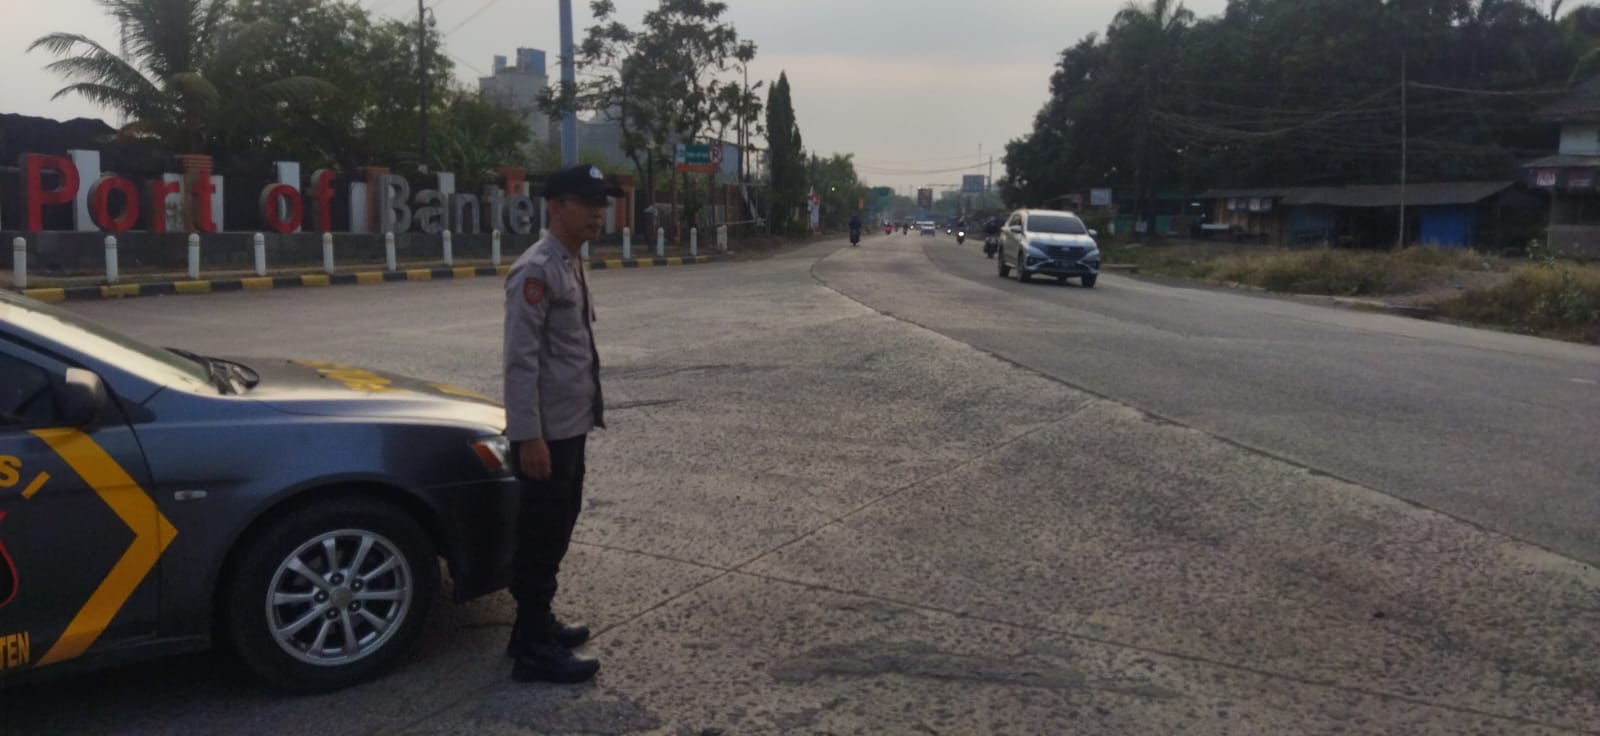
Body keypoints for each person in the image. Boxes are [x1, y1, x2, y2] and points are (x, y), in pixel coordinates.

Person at [502, 164, 622, 684]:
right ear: (556, 207)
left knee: (557, 525)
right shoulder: (536, 270)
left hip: (570, 425)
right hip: (546, 434)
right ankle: (532, 651)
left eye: (602, 204)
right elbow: (520, 361)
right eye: (587, 204)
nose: (599, 214)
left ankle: (532, 626)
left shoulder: (570, 262)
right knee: (541, 533)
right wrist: (528, 436)